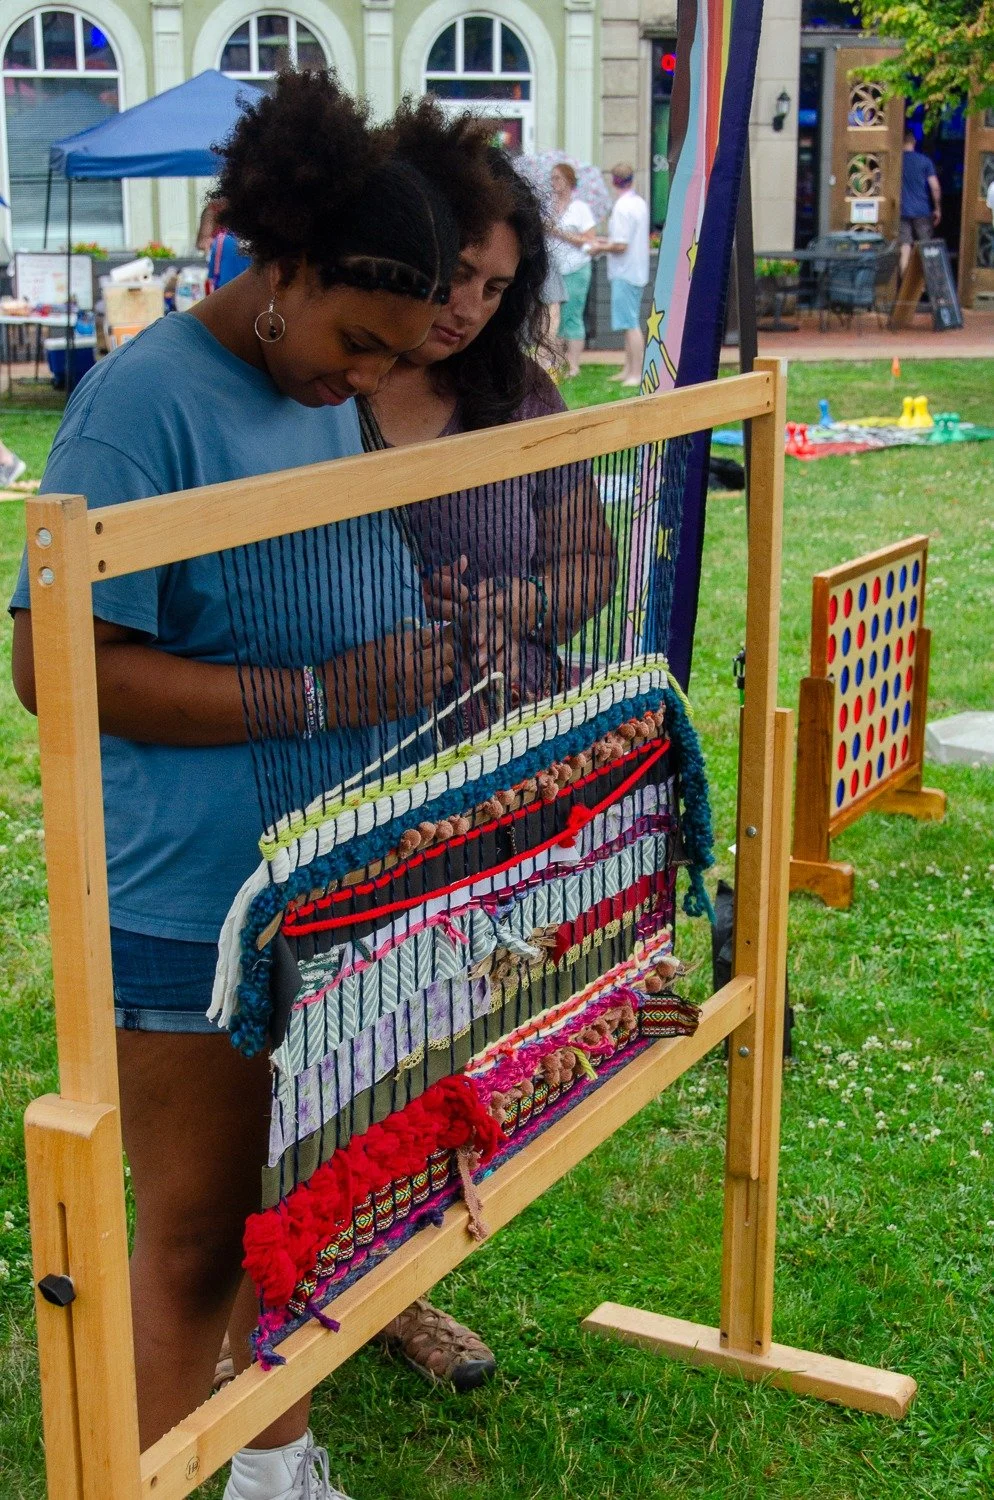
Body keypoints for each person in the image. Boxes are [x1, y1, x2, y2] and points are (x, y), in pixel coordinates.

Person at [10, 73, 507, 1500]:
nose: (361, 383)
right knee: (188, 1239)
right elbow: (54, 670)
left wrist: (419, 636)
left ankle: (273, 1465)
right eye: (354, 344)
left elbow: (311, 588)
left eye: (387, 360)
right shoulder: (144, 406)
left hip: (311, 881)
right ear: (279, 270)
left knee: (281, 1214)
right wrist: (310, 699)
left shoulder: (318, 394)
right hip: (187, 909)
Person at [359, 141, 616, 730]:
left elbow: (591, 558)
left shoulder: (521, 395)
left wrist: (525, 602)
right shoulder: (323, 392)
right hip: (366, 756)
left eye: (496, 289)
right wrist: (401, 608)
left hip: (511, 737)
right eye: (457, 277)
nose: (470, 310)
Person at [595, 164, 649, 386]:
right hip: (636, 269)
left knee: (630, 324)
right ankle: (629, 368)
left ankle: (636, 373)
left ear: (614, 181)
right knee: (630, 321)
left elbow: (620, 245)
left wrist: (599, 247)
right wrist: (606, 243)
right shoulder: (639, 203)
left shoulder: (621, 208)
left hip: (624, 271)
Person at [548, 162, 596, 377]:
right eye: (552, 178)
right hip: (553, 269)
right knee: (553, 318)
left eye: (558, 178)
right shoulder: (548, 206)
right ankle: (556, 362)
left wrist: (559, 233)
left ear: (568, 180)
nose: (554, 182)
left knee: (572, 316)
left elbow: (589, 240)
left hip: (576, 268)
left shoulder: (580, 208)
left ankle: (574, 364)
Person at [899, 128, 941, 277]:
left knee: (905, 247)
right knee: (927, 248)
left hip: (902, 210)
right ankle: (931, 285)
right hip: (922, 211)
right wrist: (937, 209)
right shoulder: (925, 161)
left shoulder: (897, 161)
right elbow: (935, 187)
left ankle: (905, 288)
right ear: (914, 142)